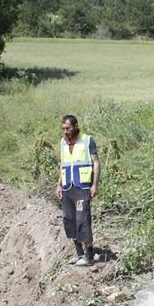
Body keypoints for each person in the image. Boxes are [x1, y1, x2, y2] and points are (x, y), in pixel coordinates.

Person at [56, 114, 101, 266]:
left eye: (67, 128)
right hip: (67, 187)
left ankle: (89, 255)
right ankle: (79, 253)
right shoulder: (63, 143)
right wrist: (59, 184)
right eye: (63, 129)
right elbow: (63, 164)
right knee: (70, 219)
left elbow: (96, 163)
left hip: (82, 187)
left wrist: (94, 184)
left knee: (83, 220)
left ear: (75, 126)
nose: (65, 131)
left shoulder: (88, 140)